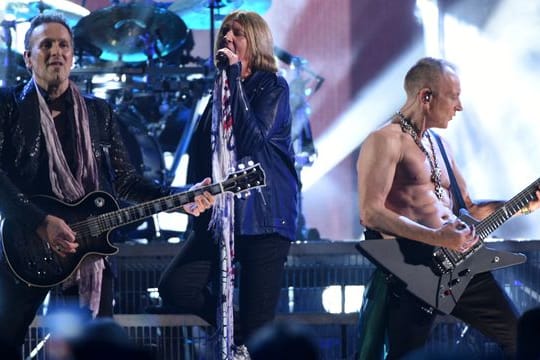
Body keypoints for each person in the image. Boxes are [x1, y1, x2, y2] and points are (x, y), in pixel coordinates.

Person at [0, 13, 213, 357]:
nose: (56, 51)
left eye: (64, 45)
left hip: (84, 251)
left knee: (85, 350)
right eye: (46, 45)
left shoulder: (99, 114)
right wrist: (41, 222)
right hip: (21, 247)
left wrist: (179, 197)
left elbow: (126, 180)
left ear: (72, 56)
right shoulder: (7, 105)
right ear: (28, 58)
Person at [355, 57, 540, 359]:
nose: (460, 106)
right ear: (426, 97)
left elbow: (467, 209)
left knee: (522, 341)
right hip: (411, 273)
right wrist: (438, 238)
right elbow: (370, 212)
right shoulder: (384, 141)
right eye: (454, 96)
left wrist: (521, 205)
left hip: (462, 268)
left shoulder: (440, 145)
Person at [157, 9, 299, 349]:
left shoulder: (273, 86)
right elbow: (201, 155)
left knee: (258, 322)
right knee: (176, 285)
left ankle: (248, 340)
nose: (227, 38)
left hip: (265, 219)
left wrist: (234, 77)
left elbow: (252, 141)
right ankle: (236, 334)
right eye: (225, 32)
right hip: (219, 216)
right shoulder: (219, 93)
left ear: (256, 41)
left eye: (237, 33)